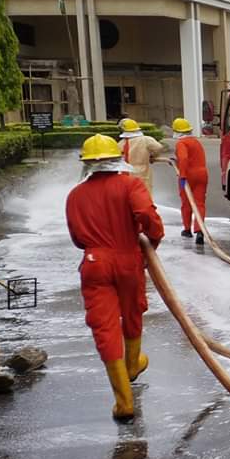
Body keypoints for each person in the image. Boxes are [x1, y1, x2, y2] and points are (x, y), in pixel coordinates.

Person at [66, 135, 165, 421]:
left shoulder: (75, 195)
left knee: (104, 327)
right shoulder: (130, 184)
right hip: (128, 259)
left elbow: (76, 238)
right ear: (116, 160)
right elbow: (147, 215)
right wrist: (153, 243)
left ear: (87, 164)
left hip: (94, 264)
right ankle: (132, 365)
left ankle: (124, 403)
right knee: (133, 314)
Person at [172, 117, 209, 245]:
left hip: (189, 175)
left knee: (186, 203)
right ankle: (200, 231)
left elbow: (183, 158)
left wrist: (182, 176)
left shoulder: (181, 143)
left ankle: (187, 229)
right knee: (199, 203)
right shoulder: (196, 142)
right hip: (202, 174)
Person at [119, 118, 165, 194]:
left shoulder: (121, 143)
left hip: (126, 173)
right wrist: (152, 156)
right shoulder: (146, 140)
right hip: (143, 172)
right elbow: (158, 148)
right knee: (144, 194)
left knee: (129, 195)